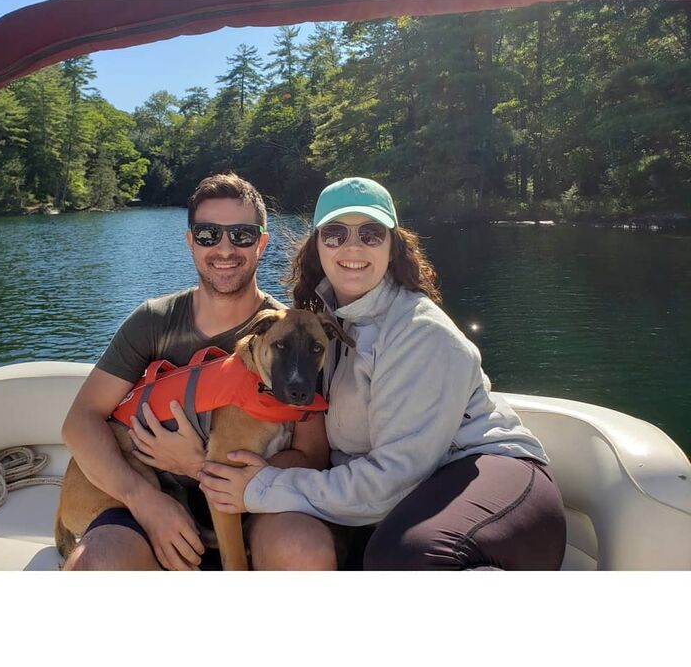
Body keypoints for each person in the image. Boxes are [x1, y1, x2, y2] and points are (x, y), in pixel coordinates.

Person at [197, 176, 567, 570]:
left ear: (393, 247)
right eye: (335, 234)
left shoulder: (420, 332)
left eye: (371, 234)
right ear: (317, 248)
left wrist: (261, 487)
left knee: (405, 557)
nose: (352, 246)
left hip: (488, 477)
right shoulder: (326, 328)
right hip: (410, 493)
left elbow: (393, 481)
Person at [60, 173, 331, 571]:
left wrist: (206, 470)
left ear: (262, 243)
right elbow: (79, 423)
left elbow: (312, 456)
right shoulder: (155, 320)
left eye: (241, 234)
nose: (225, 248)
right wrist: (146, 502)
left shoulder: (292, 334)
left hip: (254, 503)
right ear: (190, 242)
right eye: (208, 234)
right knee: (97, 563)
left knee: (305, 549)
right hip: (147, 492)